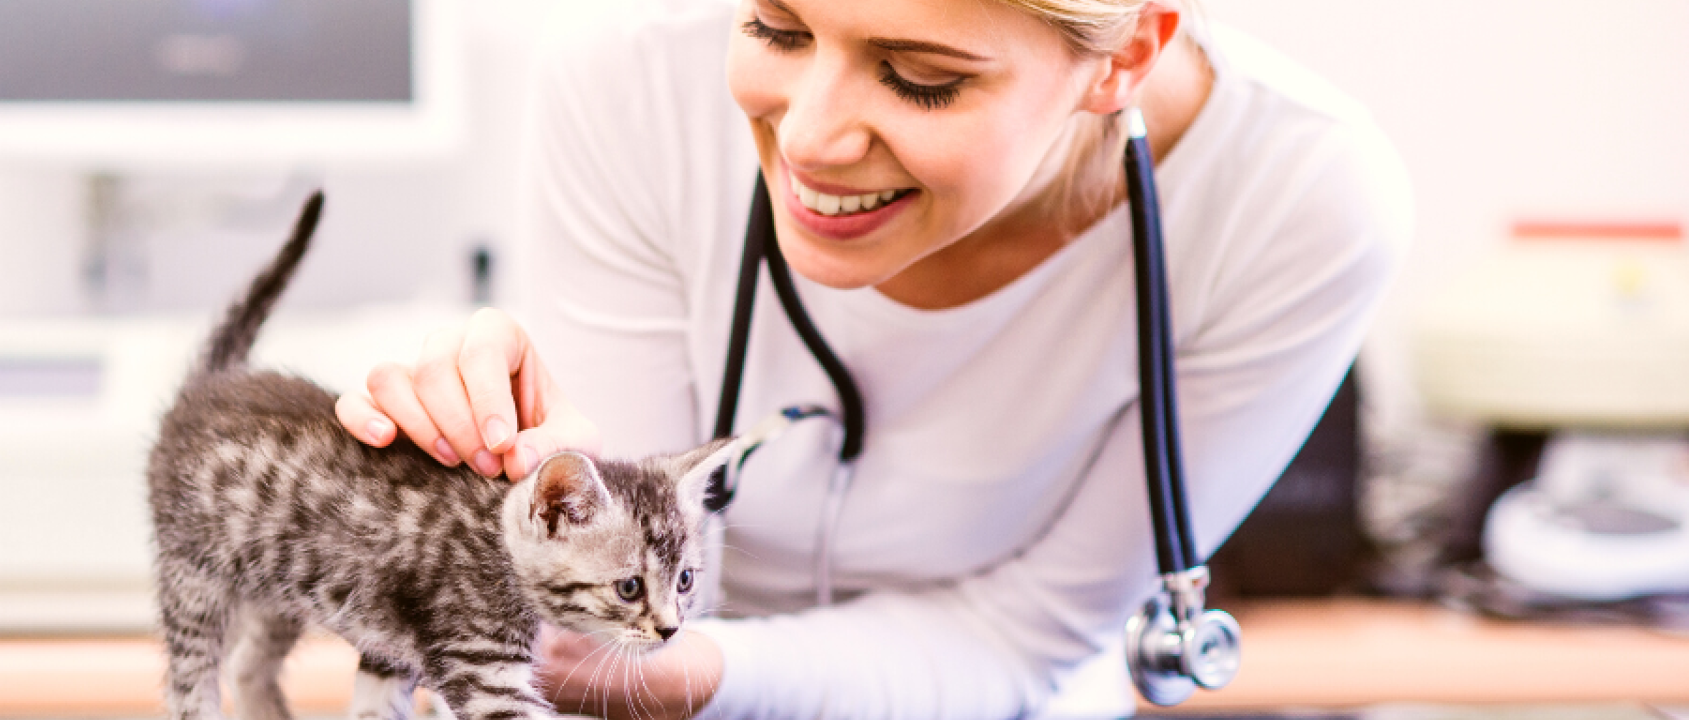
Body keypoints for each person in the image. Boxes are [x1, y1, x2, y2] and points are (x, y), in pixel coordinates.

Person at [336, 0, 1410, 716]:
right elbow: (605, 620)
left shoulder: (1298, 199)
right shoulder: (628, 82)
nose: (808, 139)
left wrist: (699, 675)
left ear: (1128, 53)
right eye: (776, 26)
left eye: (919, 78)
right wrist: (472, 495)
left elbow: (1022, 635)